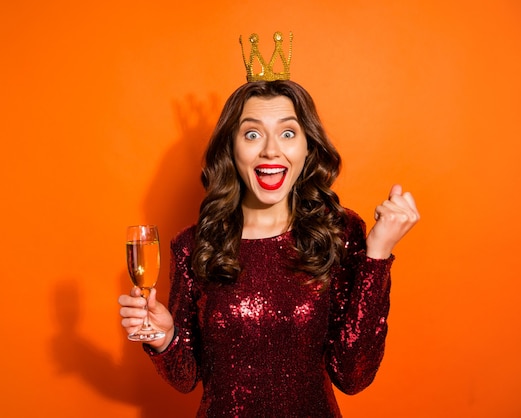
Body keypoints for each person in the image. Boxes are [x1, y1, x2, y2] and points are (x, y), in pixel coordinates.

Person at [119, 37, 419, 417]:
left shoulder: (338, 234)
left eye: (288, 133)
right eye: (253, 133)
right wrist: (165, 337)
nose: (271, 150)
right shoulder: (195, 245)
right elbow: (186, 378)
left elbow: (354, 376)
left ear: (308, 148)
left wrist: (377, 255)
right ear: (232, 149)